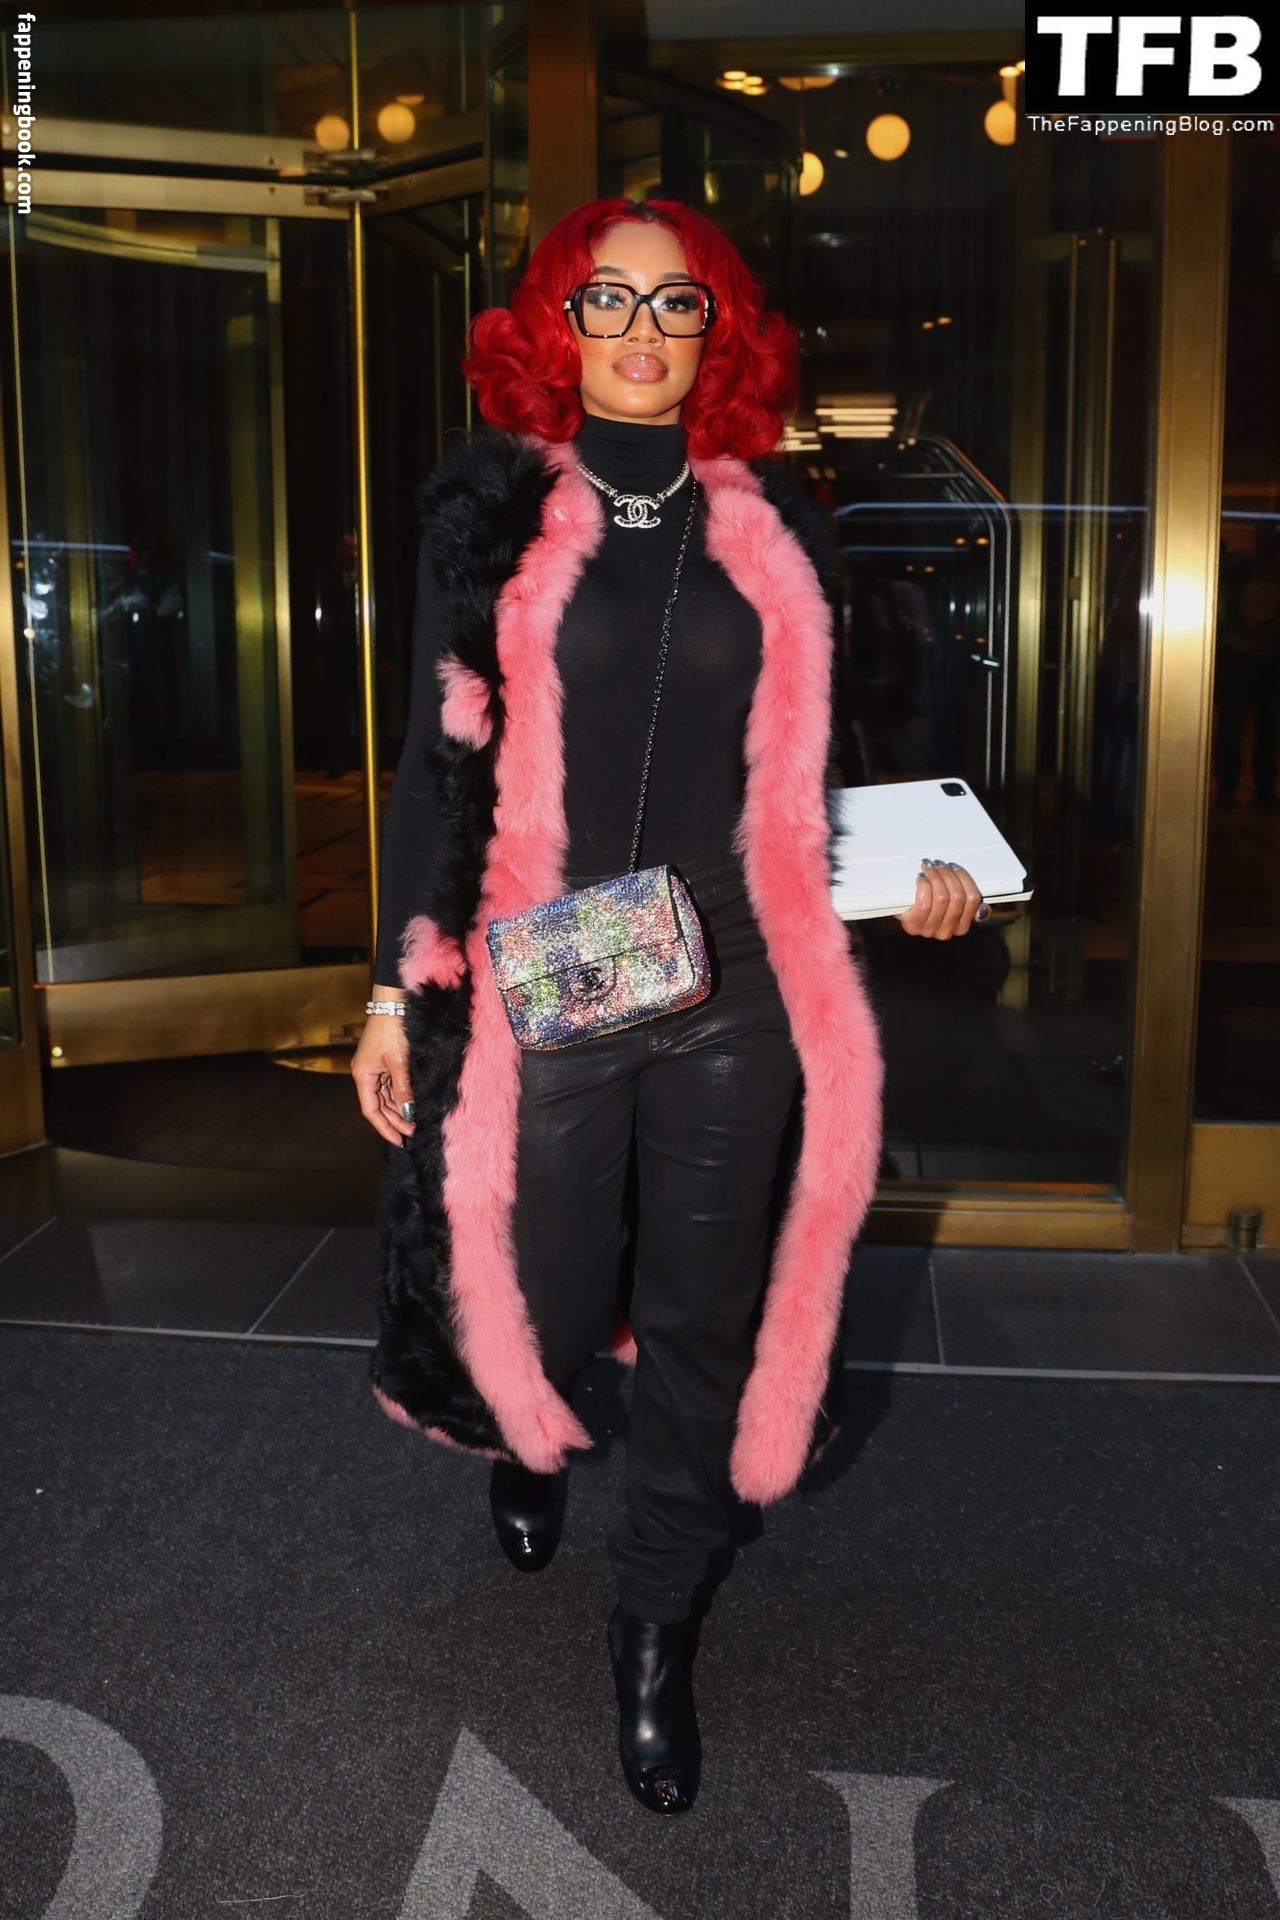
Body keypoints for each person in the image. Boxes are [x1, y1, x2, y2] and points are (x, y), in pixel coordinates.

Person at [351, 195, 987, 1818]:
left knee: (706, 1312)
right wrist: (391, 987)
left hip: (739, 974)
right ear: (555, 325)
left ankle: (655, 1625)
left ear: (721, 332)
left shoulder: (777, 524)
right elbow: (434, 762)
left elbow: (830, 757)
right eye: (608, 299)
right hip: (562, 964)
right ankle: (523, 1439)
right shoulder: (487, 511)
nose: (641, 329)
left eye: (677, 302)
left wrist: (922, 868)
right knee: (549, 1303)